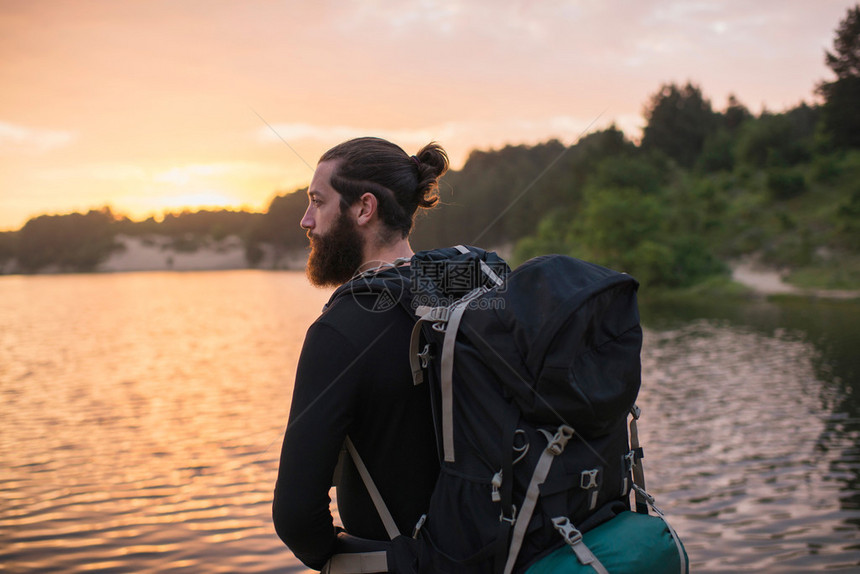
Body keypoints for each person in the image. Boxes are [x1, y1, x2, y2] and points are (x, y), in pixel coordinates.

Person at [273, 137, 447, 571]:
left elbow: (296, 517)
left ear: (363, 209)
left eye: (317, 201)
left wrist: (339, 560)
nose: (306, 220)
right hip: (491, 548)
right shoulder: (459, 290)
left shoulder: (340, 330)